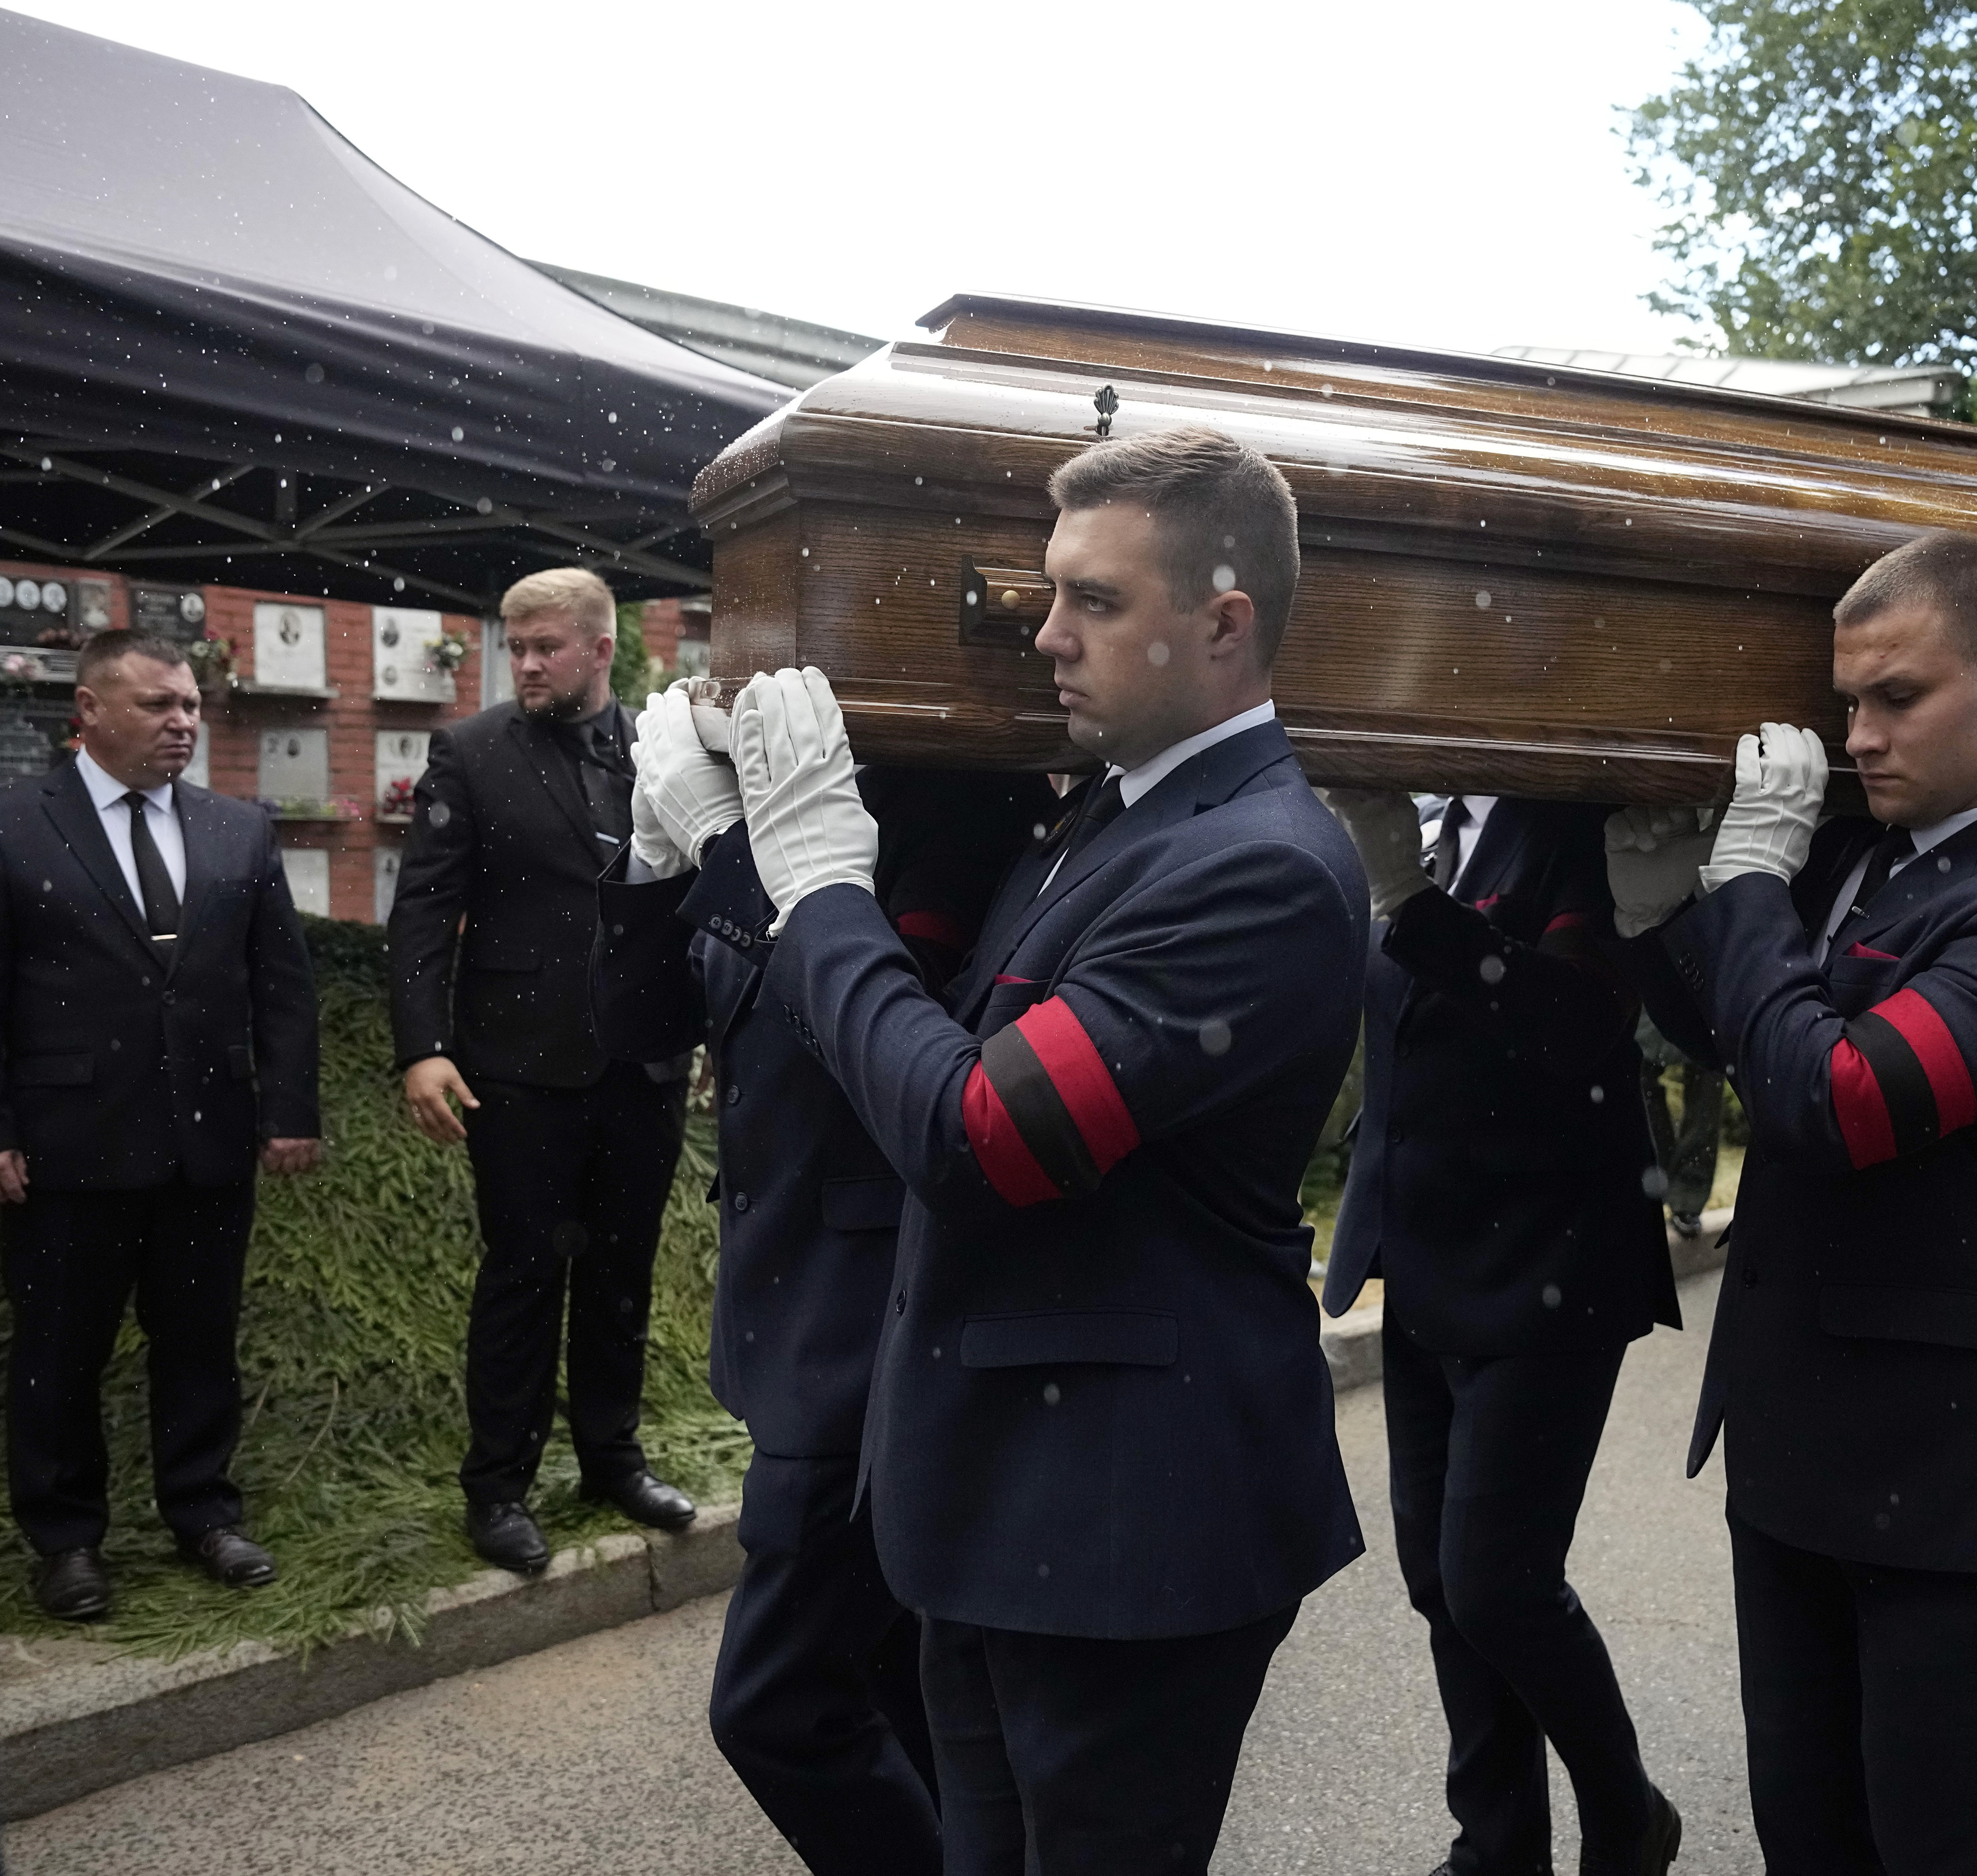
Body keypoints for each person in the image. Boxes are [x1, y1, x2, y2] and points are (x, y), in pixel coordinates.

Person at [728, 426, 1368, 1876]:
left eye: (1093, 600)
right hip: (1002, 1503)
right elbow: (909, 1061)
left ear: (1222, 626)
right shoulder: (1099, 822)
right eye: (1045, 591)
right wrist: (745, 858)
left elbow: (976, 1137)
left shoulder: (1251, 862)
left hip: (1127, 1533)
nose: (1043, 631)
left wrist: (823, 887)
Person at [1606, 529, 1977, 1874]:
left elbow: (1833, 1100)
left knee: (1943, 1842)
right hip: (1795, 1430)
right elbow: (1742, 1028)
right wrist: (1656, 919)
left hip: (1950, 1459)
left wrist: (1741, 887)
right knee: (1806, 1824)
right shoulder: (1866, 854)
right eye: (1845, 699)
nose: (1855, 733)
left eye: (1894, 696)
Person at [593, 691, 1051, 1874]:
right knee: (899, 1682)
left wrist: (738, 852)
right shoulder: (775, 792)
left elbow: (876, 1048)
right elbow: (639, 1026)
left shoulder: (958, 808)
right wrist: (657, 855)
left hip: (874, 1327)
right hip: (795, 1309)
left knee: (779, 1704)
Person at [1320, 786, 1686, 1876]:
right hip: (1426, 1252)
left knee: (1496, 1579)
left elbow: (1578, 1021)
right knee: (1440, 1576)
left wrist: (1412, 903)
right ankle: (1497, 1843)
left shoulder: (1569, 822)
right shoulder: (1424, 819)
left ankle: (1626, 1813)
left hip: (1548, 1263)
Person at [0, 627, 321, 1621]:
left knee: (198, 1339)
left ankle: (203, 1511)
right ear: (88, 711)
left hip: (205, 1139)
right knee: (62, 1350)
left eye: (188, 704)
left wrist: (289, 1111)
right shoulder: (15, 824)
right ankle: (67, 1539)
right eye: (158, 705)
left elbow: (283, 989)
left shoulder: (237, 830)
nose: (182, 721)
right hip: (66, 1143)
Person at [387, 567, 696, 1573]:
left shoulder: (665, 745)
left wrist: (710, 1032)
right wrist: (422, 1046)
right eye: (514, 645)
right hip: (516, 1064)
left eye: (543, 646)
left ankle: (611, 1457)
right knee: (522, 1274)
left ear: (600, 649)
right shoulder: (470, 753)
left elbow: (698, 888)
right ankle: (498, 1487)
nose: (522, 663)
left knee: (621, 1274)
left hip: (641, 1060)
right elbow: (424, 909)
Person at [1637, 1011, 1725, 1238]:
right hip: (1644, 990)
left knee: (1708, 1074)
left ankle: (1688, 1193)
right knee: (1636, 1070)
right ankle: (1658, 1172)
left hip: (1698, 992)